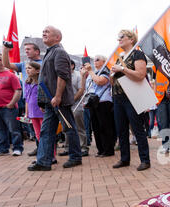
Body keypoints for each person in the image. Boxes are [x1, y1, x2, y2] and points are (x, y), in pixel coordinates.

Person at [28, 26, 82, 171]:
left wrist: (58, 96)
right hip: (49, 101)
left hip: (59, 100)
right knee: (46, 131)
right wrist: (43, 100)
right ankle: (44, 161)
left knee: (69, 128)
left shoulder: (59, 52)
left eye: (48, 32)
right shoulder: (50, 52)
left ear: (57, 37)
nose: (43, 33)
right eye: (43, 31)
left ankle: (75, 157)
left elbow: (62, 75)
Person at [111, 29, 151, 172]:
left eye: (122, 37)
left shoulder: (137, 54)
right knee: (121, 130)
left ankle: (145, 160)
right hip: (118, 97)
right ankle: (124, 158)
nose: (119, 39)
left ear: (131, 39)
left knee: (137, 129)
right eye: (118, 37)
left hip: (131, 97)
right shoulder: (119, 57)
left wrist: (122, 69)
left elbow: (140, 75)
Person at [0, 53, 23, 157]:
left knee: (14, 129)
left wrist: (12, 103)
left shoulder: (11, 76)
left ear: (3, 61)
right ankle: (2, 149)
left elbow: (18, 90)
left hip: (8, 107)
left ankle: (17, 148)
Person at [85, 55, 115, 158]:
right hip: (93, 102)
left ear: (104, 61)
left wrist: (90, 71)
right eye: (94, 60)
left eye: (97, 60)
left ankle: (108, 149)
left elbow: (99, 81)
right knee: (96, 127)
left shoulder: (105, 72)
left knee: (105, 126)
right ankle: (100, 149)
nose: (95, 62)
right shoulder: (92, 74)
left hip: (104, 102)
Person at [59, 60, 88, 157]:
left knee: (79, 127)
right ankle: (68, 148)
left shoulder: (78, 76)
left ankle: (83, 148)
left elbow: (81, 90)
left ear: (72, 66)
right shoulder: (61, 76)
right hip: (65, 105)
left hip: (76, 104)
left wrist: (72, 100)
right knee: (67, 127)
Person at [154, 66, 170, 154]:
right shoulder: (156, 65)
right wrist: (155, 97)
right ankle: (165, 145)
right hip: (161, 98)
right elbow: (156, 82)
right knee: (163, 123)